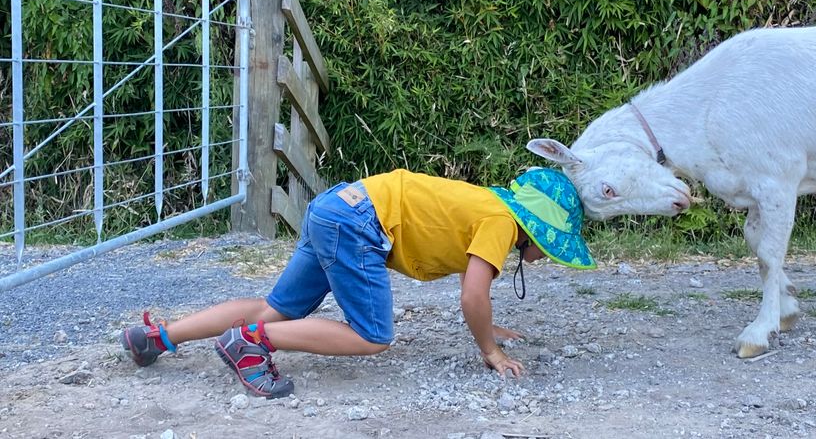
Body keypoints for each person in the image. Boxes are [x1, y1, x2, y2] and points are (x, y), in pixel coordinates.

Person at [118, 167, 594, 398]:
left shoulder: (488, 204)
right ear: (540, 229)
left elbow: (473, 290)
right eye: (555, 244)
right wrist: (491, 351)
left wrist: (488, 327)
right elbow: (473, 294)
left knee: (276, 308)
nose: (548, 255)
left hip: (337, 207)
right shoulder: (502, 222)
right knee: (373, 335)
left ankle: (155, 337)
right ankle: (250, 343)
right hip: (358, 223)